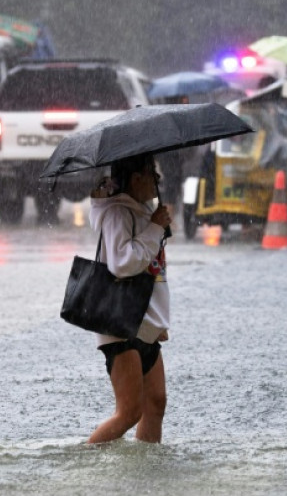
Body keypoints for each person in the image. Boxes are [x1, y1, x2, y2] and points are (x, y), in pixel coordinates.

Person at [87, 154, 172, 444]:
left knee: (156, 403)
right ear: (137, 178)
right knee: (129, 412)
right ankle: (83, 462)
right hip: (120, 322)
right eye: (153, 174)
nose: (157, 180)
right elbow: (122, 264)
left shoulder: (143, 212)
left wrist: (158, 320)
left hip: (143, 322)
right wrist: (156, 228)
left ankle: (146, 472)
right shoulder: (117, 214)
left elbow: (155, 271)